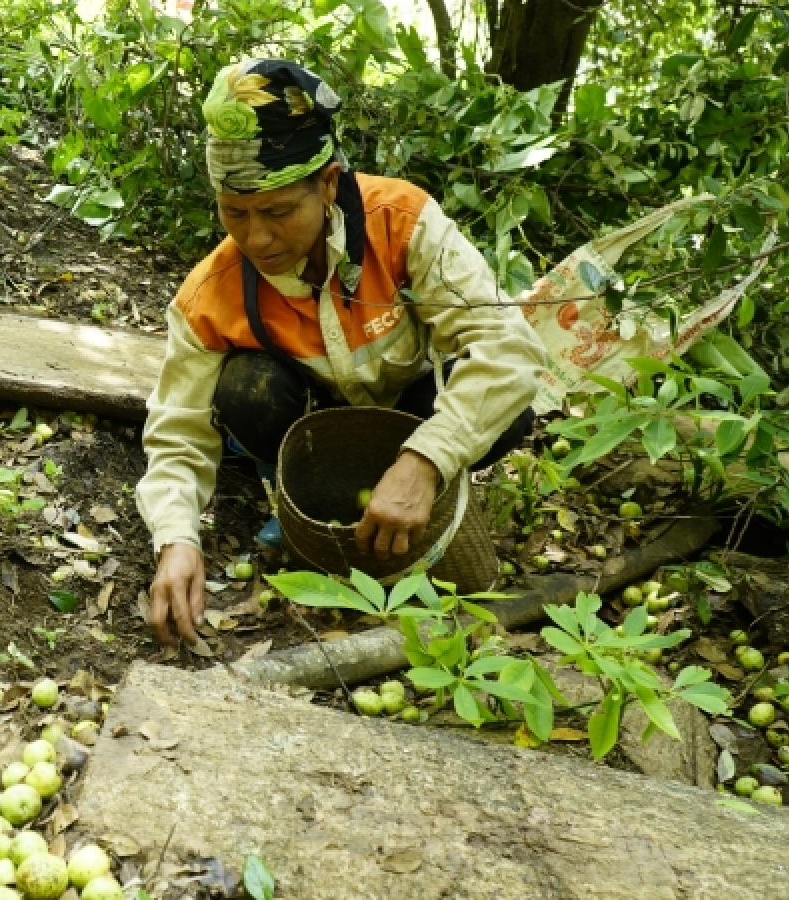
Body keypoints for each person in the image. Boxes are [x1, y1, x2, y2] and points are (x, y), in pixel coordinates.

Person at [135, 59, 545, 646]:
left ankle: (414, 487)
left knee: (510, 411)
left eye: (277, 212)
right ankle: (298, 492)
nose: (256, 238)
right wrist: (176, 540)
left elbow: (509, 348)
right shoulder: (211, 292)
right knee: (245, 388)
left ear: (327, 184)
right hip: (309, 419)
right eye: (235, 212)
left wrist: (425, 459)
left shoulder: (401, 221)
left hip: (410, 404)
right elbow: (176, 434)